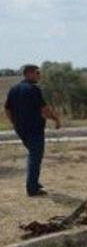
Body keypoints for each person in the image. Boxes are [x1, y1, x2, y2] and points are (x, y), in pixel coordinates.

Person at [4, 65, 61, 197]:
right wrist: (56, 119)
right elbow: (45, 109)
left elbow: (7, 109)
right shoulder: (33, 89)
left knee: (33, 154)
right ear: (28, 73)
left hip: (21, 129)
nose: (39, 75)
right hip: (34, 129)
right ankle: (32, 188)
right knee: (35, 157)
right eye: (37, 73)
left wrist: (14, 123)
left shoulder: (14, 89)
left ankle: (34, 182)